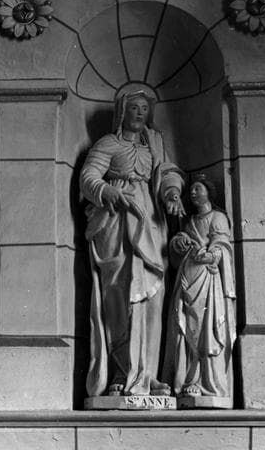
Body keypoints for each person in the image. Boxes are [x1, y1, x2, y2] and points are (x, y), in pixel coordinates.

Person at [80, 88, 185, 397]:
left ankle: (148, 375)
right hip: (116, 224)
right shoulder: (108, 144)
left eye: (144, 108)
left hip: (150, 224)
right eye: (134, 107)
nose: (140, 113)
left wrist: (172, 193)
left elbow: (167, 172)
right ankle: (121, 372)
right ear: (122, 112)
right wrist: (109, 191)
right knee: (121, 296)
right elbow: (88, 177)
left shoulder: (154, 143)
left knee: (153, 297)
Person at [163, 175, 236, 399]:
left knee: (205, 328)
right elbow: (177, 247)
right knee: (185, 325)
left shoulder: (218, 217)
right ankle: (188, 379)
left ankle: (207, 382)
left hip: (207, 279)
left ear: (208, 192)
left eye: (198, 188)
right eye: (192, 189)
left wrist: (213, 255)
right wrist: (179, 242)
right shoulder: (190, 221)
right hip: (187, 276)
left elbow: (222, 245)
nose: (193, 193)